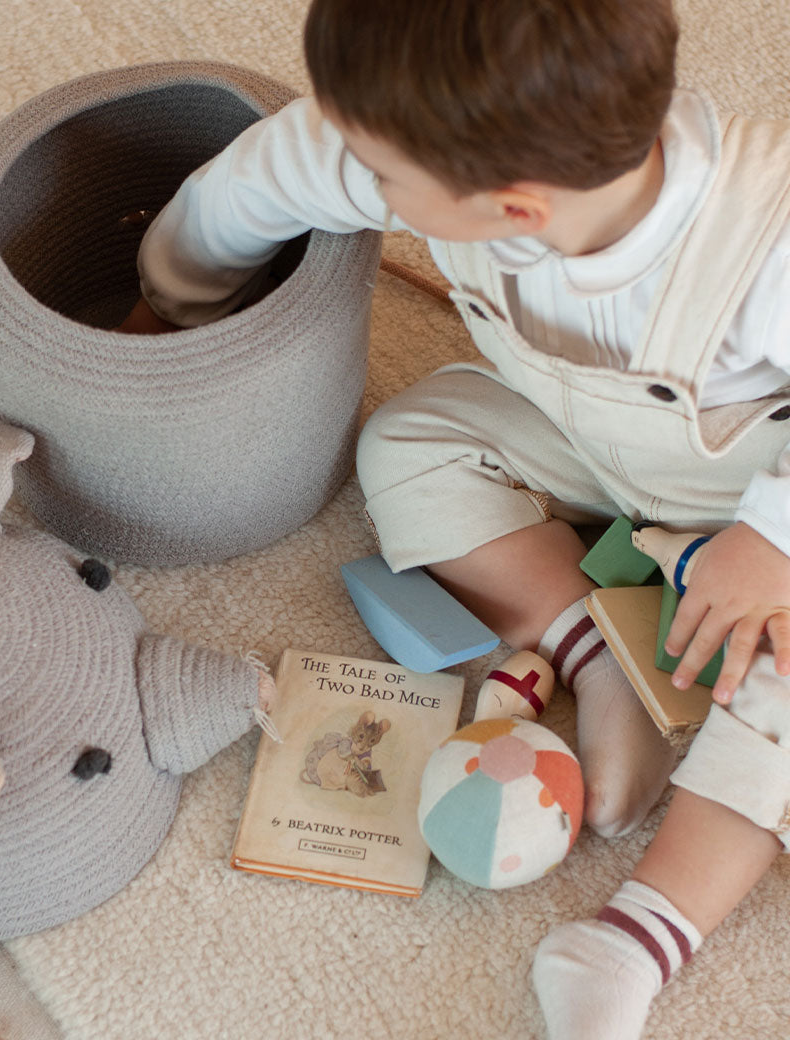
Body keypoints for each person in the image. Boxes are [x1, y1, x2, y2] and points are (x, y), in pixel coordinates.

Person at [118, 1, 790, 1036]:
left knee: (778, 687)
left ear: (512, 211)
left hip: (749, 500)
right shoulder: (428, 148)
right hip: (573, 441)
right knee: (404, 440)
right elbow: (256, 181)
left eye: (384, 181)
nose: (362, 182)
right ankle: (598, 652)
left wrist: (767, 539)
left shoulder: (765, 236)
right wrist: (166, 298)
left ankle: (631, 937)